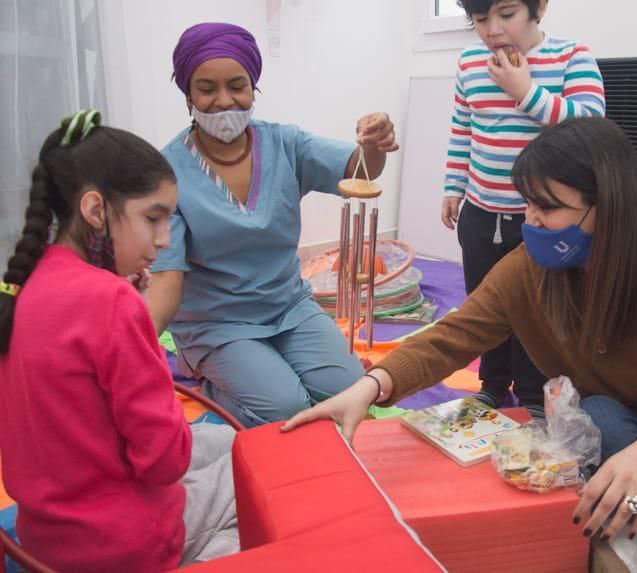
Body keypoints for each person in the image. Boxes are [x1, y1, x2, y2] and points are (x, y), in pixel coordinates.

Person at [284, 117, 637, 573]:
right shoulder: (529, 271)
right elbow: (452, 336)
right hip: (614, 428)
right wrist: (372, 385)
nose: (530, 220)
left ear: (609, 206)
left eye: (548, 207)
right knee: (601, 416)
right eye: (528, 203)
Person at [0, 110, 239, 571]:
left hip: (45, 536)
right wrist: (137, 329)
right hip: (124, 545)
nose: (165, 240)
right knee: (252, 466)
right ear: (96, 211)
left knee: (225, 441)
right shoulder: (113, 304)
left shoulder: (25, 284)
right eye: (154, 218)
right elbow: (164, 462)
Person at [147, 22, 400, 427]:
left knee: (351, 389)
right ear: (188, 95)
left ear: (253, 88)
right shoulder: (167, 172)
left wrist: (375, 140)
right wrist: (133, 347)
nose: (224, 101)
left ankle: (259, 374)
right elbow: (165, 279)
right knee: (286, 408)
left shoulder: (286, 144)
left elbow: (361, 170)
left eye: (237, 85)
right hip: (218, 324)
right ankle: (218, 386)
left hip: (289, 308)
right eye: (206, 89)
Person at [442, 0, 605, 413]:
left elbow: (591, 126)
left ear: (540, 8)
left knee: (539, 309)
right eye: (480, 20)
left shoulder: (571, 56)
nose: (493, 30)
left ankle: (533, 395)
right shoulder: (470, 63)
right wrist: (453, 186)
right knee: (485, 302)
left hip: (542, 219)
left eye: (507, 15)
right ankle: (492, 384)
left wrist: (526, 92)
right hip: (481, 211)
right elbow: (463, 129)